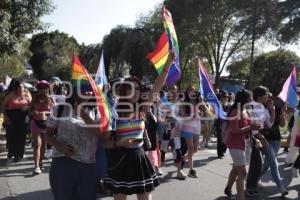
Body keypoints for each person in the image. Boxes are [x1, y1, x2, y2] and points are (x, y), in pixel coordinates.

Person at [104, 52, 175, 200]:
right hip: (120, 159)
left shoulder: (142, 109)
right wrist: (120, 142)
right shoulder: (114, 111)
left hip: (139, 158)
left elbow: (157, 86)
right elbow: (105, 141)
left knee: (145, 198)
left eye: (138, 89)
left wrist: (168, 64)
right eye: (131, 89)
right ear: (124, 91)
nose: (136, 92)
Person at [46, 87, 107, 200]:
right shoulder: (59, 109)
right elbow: (48, 135)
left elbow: (99, 135)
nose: (87, 91)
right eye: (83, 87)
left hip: (87, 166)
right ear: (74, 89)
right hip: (63, 163)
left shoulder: (96, 111)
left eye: (89, 88)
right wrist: (61, 147)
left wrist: (83, 114)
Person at [224, 89, 260, 200]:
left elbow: (248, 126)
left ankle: (228, 188)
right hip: (235, 145)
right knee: (243, 173)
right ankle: (240, 198)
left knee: (236, 168)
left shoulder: (245, 110)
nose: (252, 99)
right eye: (250, 98)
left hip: (245, 144)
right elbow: (234, 130)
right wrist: (251, 127)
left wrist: (254, 127)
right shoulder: (235, 111)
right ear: (244, 99)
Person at [245, 86, 275, 197]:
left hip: (260, 135)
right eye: (265, 94)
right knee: (257, 162)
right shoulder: (251, 105)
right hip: (253, 136)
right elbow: (251, 125)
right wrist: (260, 137)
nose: (267, 97)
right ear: (259, 95)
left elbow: (269, 124)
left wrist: (272, 111)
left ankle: (252, 184)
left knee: (256, 163)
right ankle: (249, 187)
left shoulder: (263, 107)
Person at [260, 96, 288, 196]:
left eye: (271, 101)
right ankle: (281, 187)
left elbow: (282, 124)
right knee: (274, 163)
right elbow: (268, 125)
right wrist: (272, 111)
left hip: (277, 140)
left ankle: (255, 178)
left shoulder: (277, 109)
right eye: (268, 100)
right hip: (266, 140)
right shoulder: (262, 111)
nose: (270, 102)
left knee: (268, 163)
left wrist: (282, 112)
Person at [1, 79, 31, 162]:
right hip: (11, 118)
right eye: (19, 87)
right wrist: (5, 117)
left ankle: (19, 155)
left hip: (23, 119)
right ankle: (11, 154)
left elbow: (32, 105)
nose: (21, 89)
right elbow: (3, 106)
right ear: (16, 88)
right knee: (11, 137)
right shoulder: (11, 95)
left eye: (22, 87)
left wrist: (27, 107)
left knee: (21, 137)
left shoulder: (27, 95)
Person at [29, 80, 53, 174]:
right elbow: (30, 111)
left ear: (47, 89)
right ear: (38, 89)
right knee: (37, 144)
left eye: (44, 88)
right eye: (40, 88)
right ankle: (36, 166)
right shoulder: (35, 98)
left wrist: (46, 113)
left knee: (43, 145)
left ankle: (41, 162)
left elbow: (53, 112)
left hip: (46, 124)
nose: (42, 90)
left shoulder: (50, 99)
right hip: (35, 123)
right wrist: (34, 112)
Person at [179, 85, 201, 178]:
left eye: (194, 90)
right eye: (190, 90)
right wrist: (190, 116)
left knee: (195, 149)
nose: (192, 91)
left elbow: (206, 111)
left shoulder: (198, 101)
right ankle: (191, 170)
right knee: (191, 148)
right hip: (187, 125)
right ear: (187, 92)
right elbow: (183, 115)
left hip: (197, 125)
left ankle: (182, 159)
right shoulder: (183, 102)